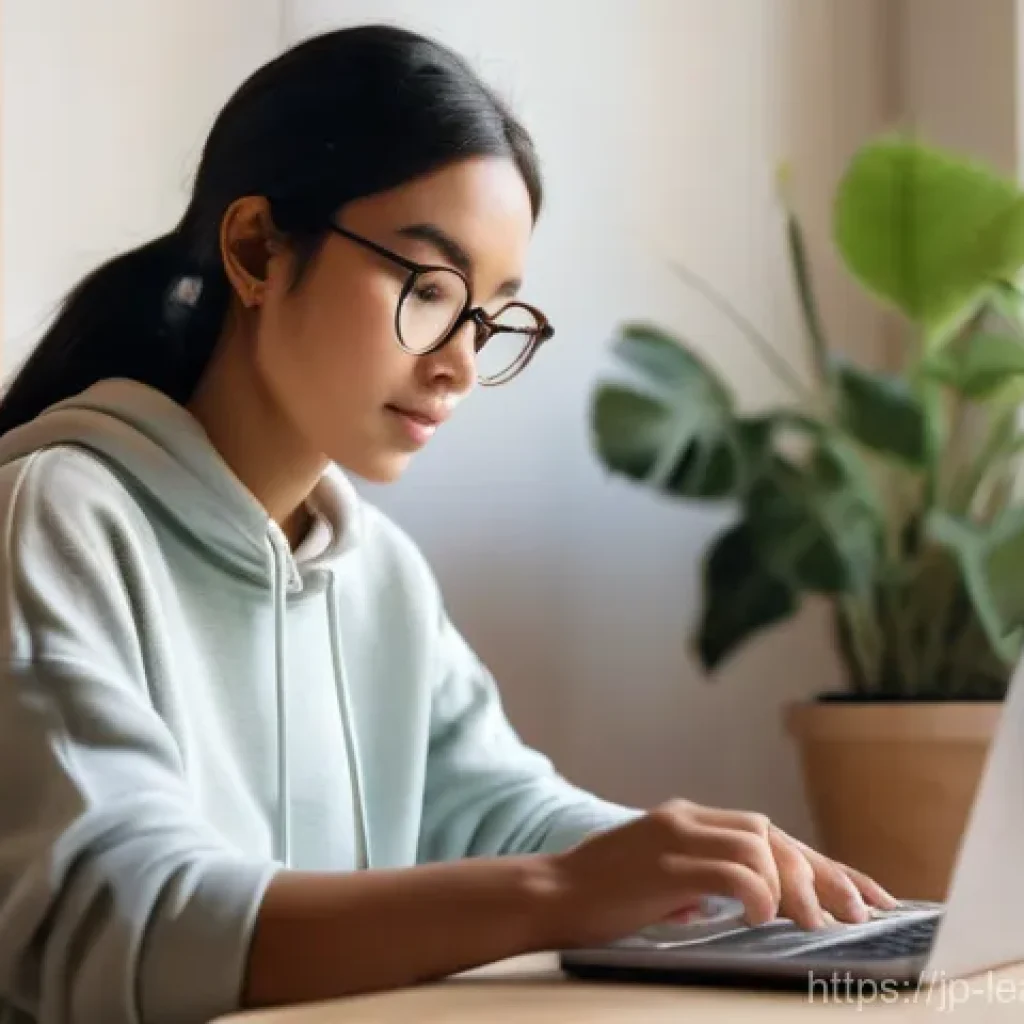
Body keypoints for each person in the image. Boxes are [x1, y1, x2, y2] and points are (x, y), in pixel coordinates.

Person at [0, 24, 896, 1024]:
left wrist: (715, 869)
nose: (460, 364)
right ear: (256, 249)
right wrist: (561, 896)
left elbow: (499, 812)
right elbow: (126, 919)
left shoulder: (376, 572)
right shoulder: (58, 517)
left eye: (489, 315)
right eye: (427, 289)